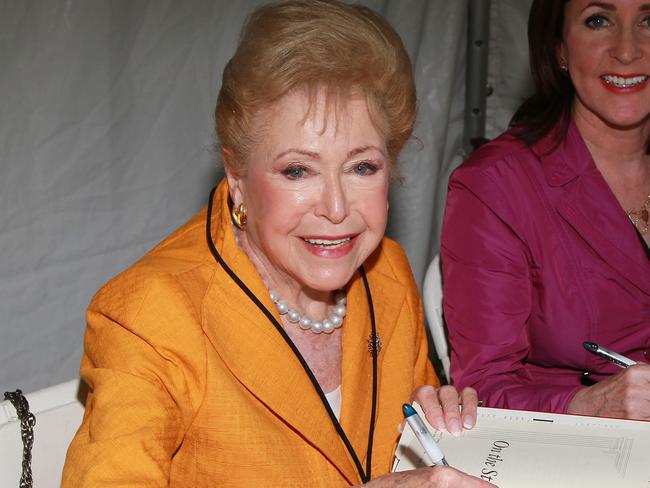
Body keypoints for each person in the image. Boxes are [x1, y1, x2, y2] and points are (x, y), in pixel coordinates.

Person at [62, 1, 492, 486]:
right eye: (297, 170)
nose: (335, 207)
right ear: (237, 176)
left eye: (362, 167)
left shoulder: (386, 273)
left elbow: (410, 450)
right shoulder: (150, 315)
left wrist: (447, 421)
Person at [440, 0, 650, 419]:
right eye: (598, 20)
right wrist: (589, 404)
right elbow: (482, 385)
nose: (627, 50)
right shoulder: (496, 185)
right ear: (558, 48)